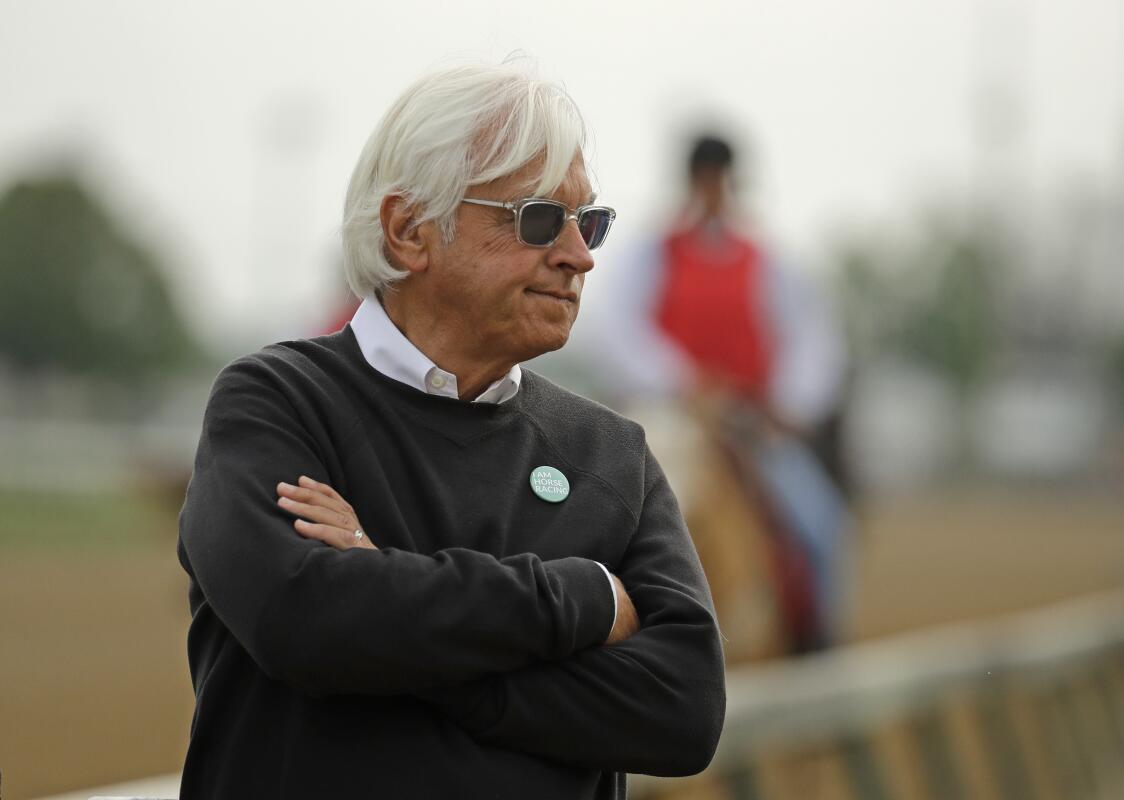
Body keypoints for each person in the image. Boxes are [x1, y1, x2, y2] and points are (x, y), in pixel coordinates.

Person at [176, 63, 726, 799]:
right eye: (537, 219)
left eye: (588, 220)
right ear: (408, 231)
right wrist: (586, 600)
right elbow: (300, 620)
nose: (579, 255)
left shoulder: (612, 454)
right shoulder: (274, 402)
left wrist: (398, 621)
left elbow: (685, 710)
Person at [597, 134, 852, 652]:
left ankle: (820, 654)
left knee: (823, 527)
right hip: (668, 420)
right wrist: (683, 383)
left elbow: (812, 339)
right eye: (705, 180)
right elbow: (615, 329)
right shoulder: (649, 254)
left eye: (720, 181)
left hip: (744, 424)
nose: (713, 191)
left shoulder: (770, 262)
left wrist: (789, 403)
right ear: (692, 182)